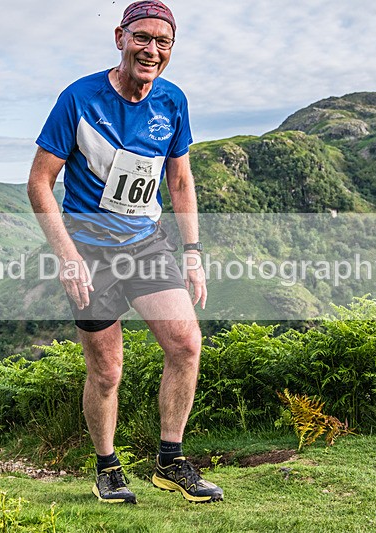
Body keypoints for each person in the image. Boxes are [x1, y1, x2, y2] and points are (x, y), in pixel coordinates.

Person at [27, 1, 223, 504]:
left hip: (146, 243)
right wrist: (67, 256)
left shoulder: (172, 101)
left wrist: (193, 251)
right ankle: (108, 468)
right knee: (107, 370)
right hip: (90, 251)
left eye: (163, 42)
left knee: (186, 344)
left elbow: (180, 180)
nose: (151, 49)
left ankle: (170, 462)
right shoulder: (79, 98)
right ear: (120, 38)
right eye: (142, 38)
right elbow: (39, 182)